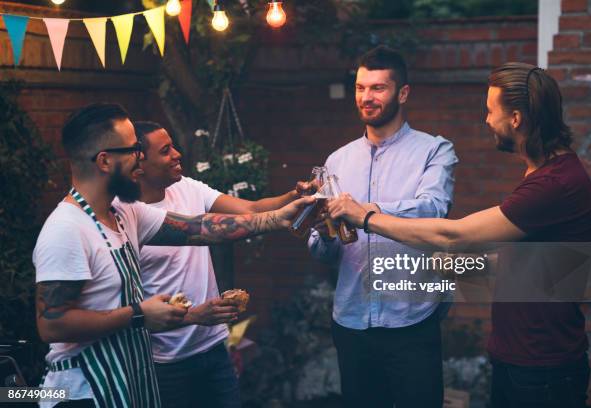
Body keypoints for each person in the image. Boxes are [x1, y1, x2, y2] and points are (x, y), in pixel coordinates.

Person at [328, 62, 591, 408]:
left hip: (542, 365)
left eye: (490, 111)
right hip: (524, 357)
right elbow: (534, 267)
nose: (487, 121)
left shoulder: (554, 184)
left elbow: (455, 235)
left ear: (516, 119)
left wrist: (366, 216)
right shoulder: (548, 174)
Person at [33, 103, 306, 408]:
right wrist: (138, 314)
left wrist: (279, 218)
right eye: (134, 148)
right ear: (105, 161)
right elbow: (51, 325)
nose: (140, 155)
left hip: (125, 383)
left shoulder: (126, 214)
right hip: (82, 392)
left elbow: (200, 227)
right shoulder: (66, 229)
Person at [307, 45, 458, 408]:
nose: (366, 97)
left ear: (402, 93)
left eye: (378, 88)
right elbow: (324, 251)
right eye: (360, 88)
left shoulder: (435, 151)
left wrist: (366, 212)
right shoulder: (336, 160)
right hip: (351, 322)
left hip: (412, 319)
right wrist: (324, 230)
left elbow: (433, 209)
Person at [133, 121, 311, 408]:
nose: (178, 154)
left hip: (214, 347)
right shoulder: (126, 215)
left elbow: (250, 209)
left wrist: (293, 197)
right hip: (163, 361)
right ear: (139, 163)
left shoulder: (187, 188)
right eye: (165, 151)